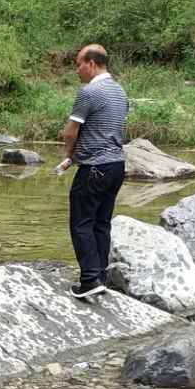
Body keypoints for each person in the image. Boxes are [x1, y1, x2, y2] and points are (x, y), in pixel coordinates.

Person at [57, 45, 129, 298]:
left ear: (92, 63)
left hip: (94, 167)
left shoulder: (89, 91)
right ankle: (100, 276)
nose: (77, 70)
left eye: (78, 64)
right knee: (101, 223)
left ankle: (89, 280)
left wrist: (69, 156)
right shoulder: (120, 91)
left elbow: (70, 132)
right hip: (116, 165)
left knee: (81, 223)